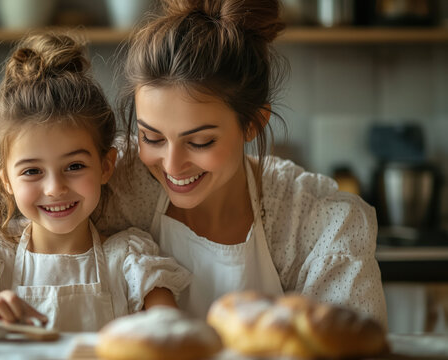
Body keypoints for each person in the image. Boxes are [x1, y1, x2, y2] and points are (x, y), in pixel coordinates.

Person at [94, 0, 388, 327]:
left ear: (253, 123)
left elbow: (351, 343)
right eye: (152, 138)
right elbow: (30, 218)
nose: (173, 166)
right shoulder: (114, 183)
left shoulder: (316, 222)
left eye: (199, 141)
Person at [0, 33, 191, 333]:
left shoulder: (130, 258)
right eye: (32, 171)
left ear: (105, 166)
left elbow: (173, 330)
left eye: (74, 166)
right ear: (6, 180)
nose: (54, 188)